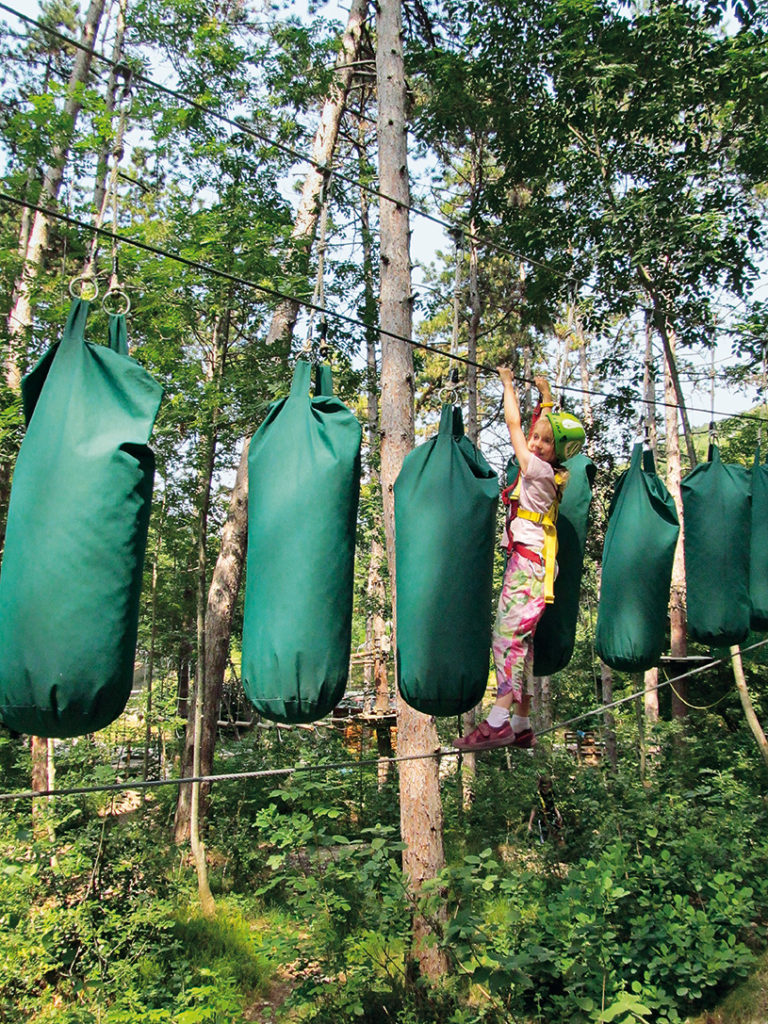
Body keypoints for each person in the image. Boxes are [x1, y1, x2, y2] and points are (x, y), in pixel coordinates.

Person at [453, 366, 585, 752]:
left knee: (505, 640)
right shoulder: (549, 470)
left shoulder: (538, 469)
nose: (537, 443)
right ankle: (522, 722)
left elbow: (514, 426)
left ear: (556, 453)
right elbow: (535, 429)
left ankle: (497, 722)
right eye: (536, 438)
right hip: (532, 562)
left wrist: (508, 384)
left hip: (529, 566)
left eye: (546, 442)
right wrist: (546, 397)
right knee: (520, 644)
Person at [529, 775, 564, 845]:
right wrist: (530, 823)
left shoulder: (551, 793)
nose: (546, 788)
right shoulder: (537, 795)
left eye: (547, 786)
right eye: (544, 786)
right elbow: (534, 809)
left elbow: (554, 805)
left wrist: (558, 815)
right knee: (545, 839)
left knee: (559, 835)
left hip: (553, 817)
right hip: (543, 819)